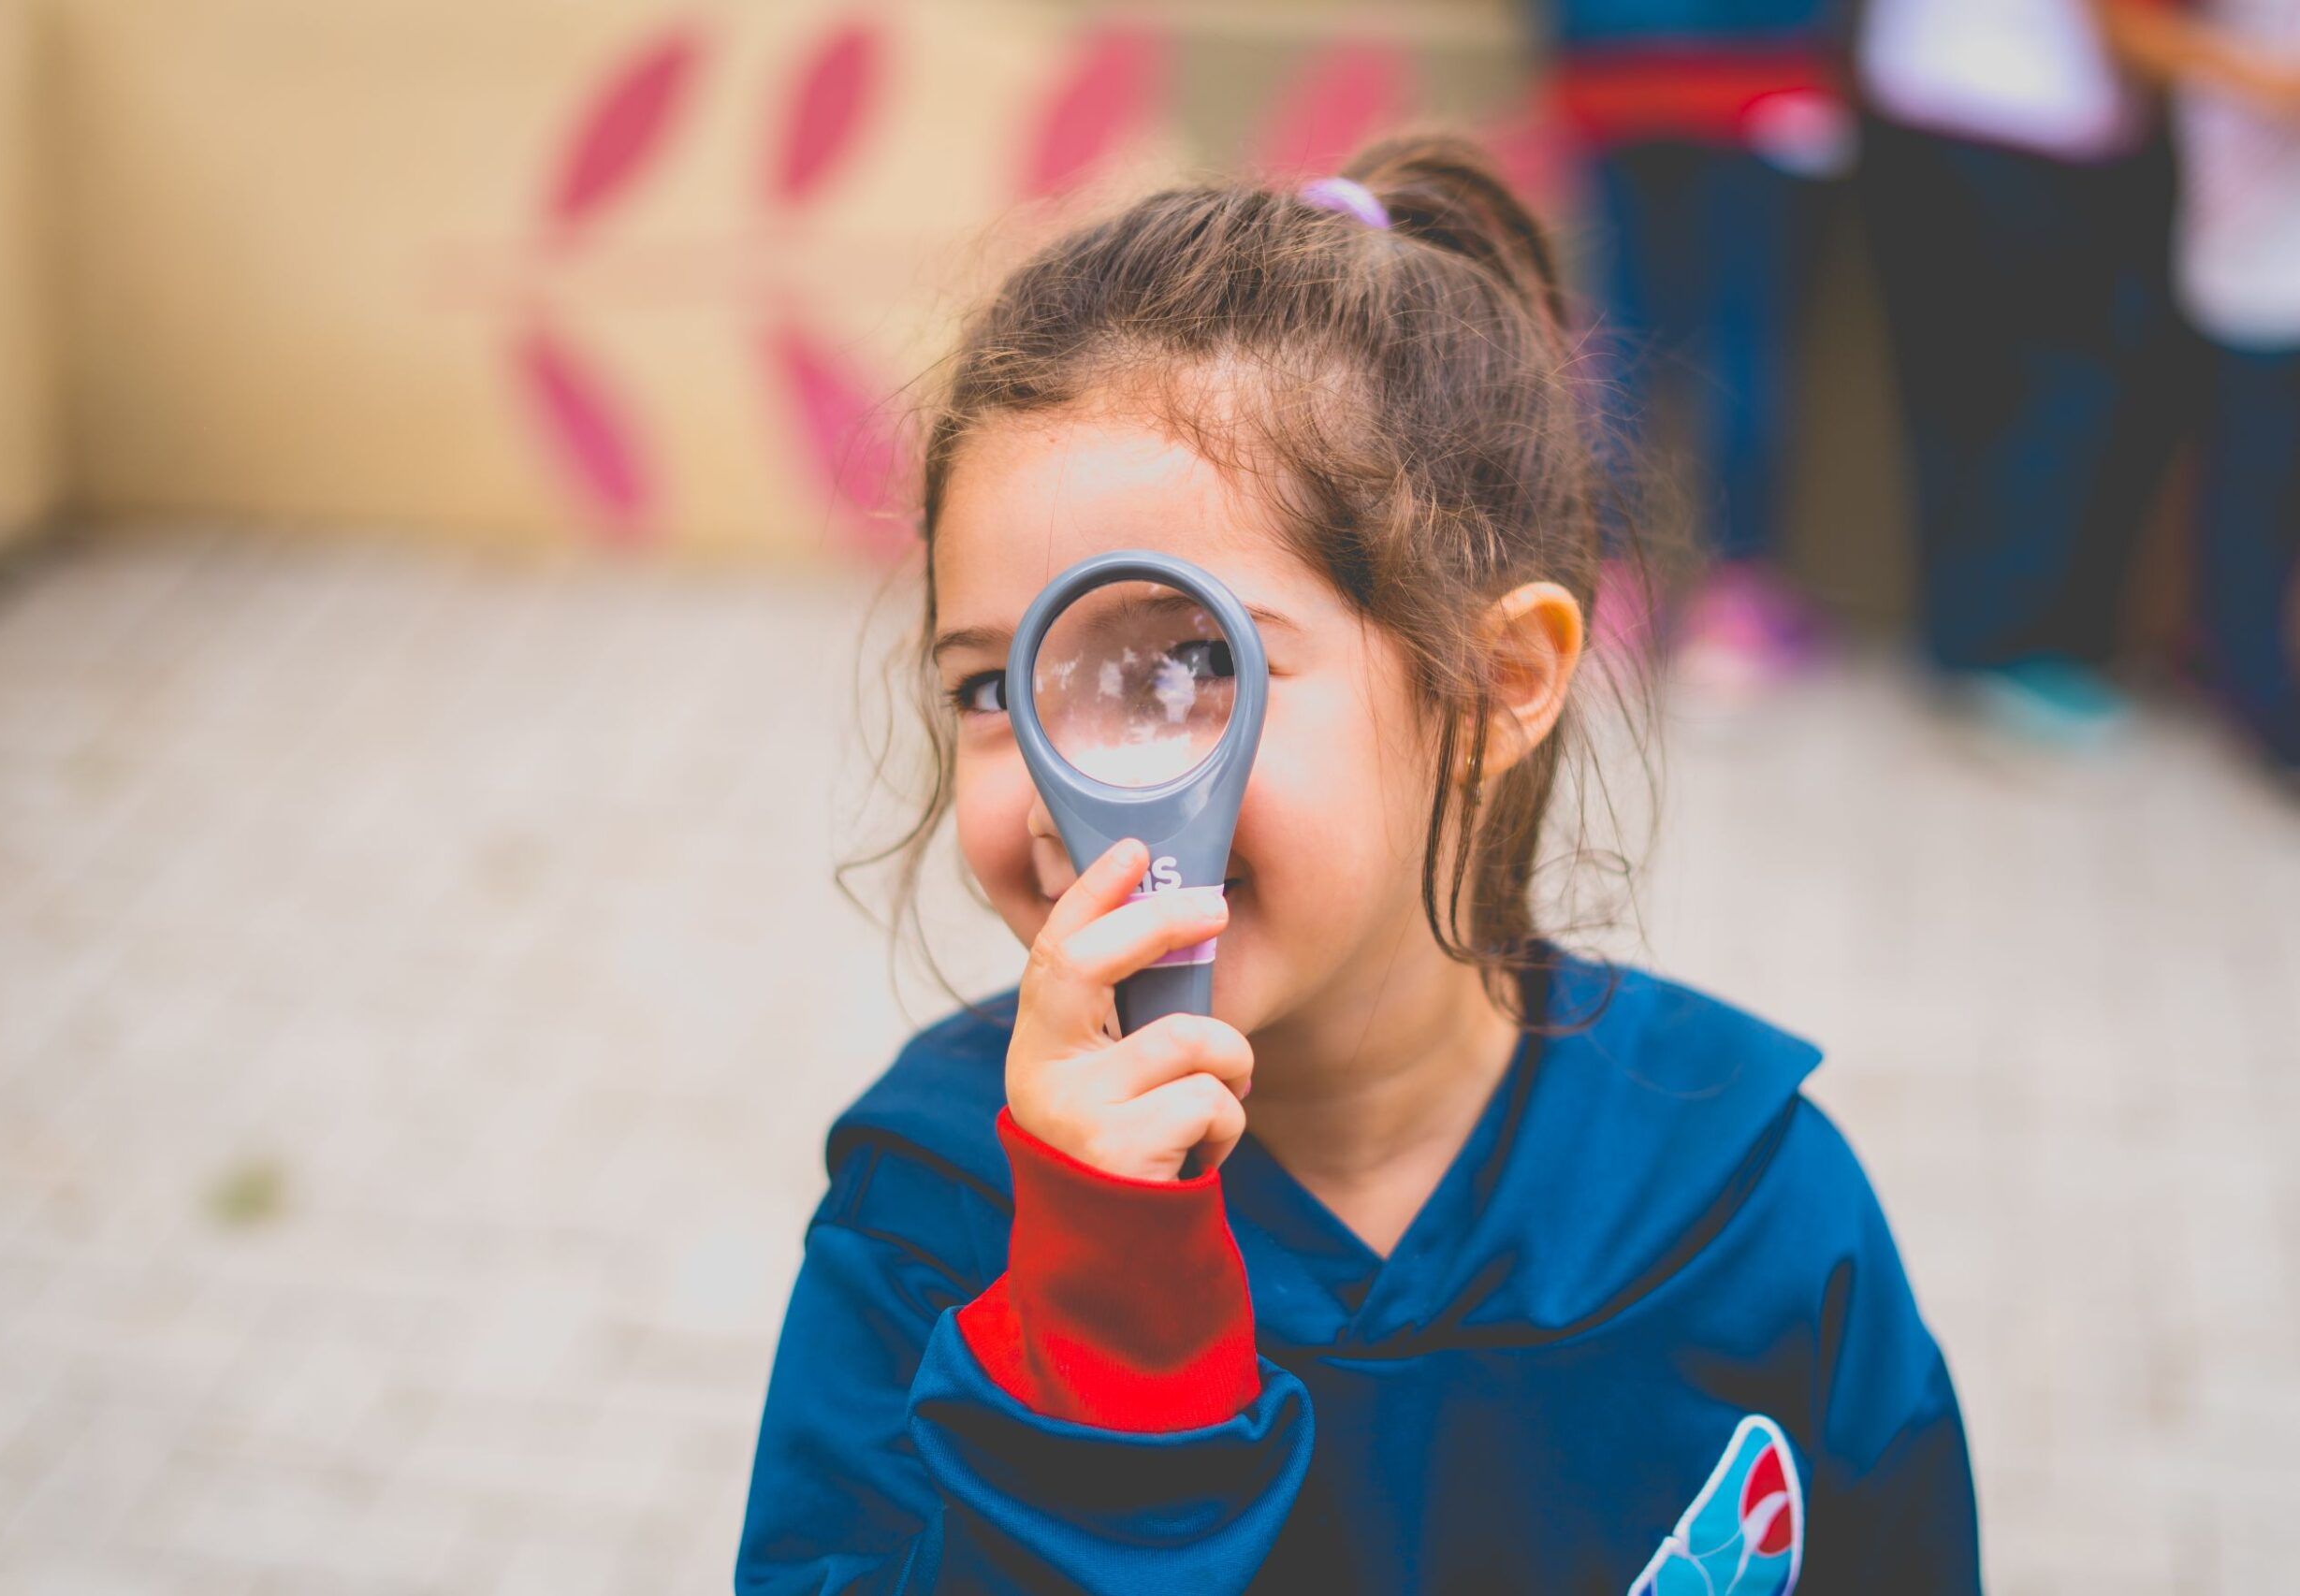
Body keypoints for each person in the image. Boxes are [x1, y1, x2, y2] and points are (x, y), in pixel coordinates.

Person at [735, 134, 1981, 1592]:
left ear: (1496, 681)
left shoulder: (1749, 1202)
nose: (1080, 788)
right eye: (990, 687)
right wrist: (1094, 1331)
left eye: (1187, 665)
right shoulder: (942, 1209)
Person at [1855, 0, 2190, 743]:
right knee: (2068, 386)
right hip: (2033, 128)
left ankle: (1960, 640)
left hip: (1914, 100)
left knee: (1954, 387)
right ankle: (1995, 644)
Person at [1549, 0, 1854, 694]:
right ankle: (1734, 603)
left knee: (1621, 332)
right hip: (1755, 65)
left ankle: (1615, 598)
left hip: (1611, 59)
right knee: (1747, 331)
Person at [2095, 0, 2300, 776]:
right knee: (2250, 485)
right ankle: (2254, 692)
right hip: (2251, 247)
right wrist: (2265, 81)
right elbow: (2128, 28)